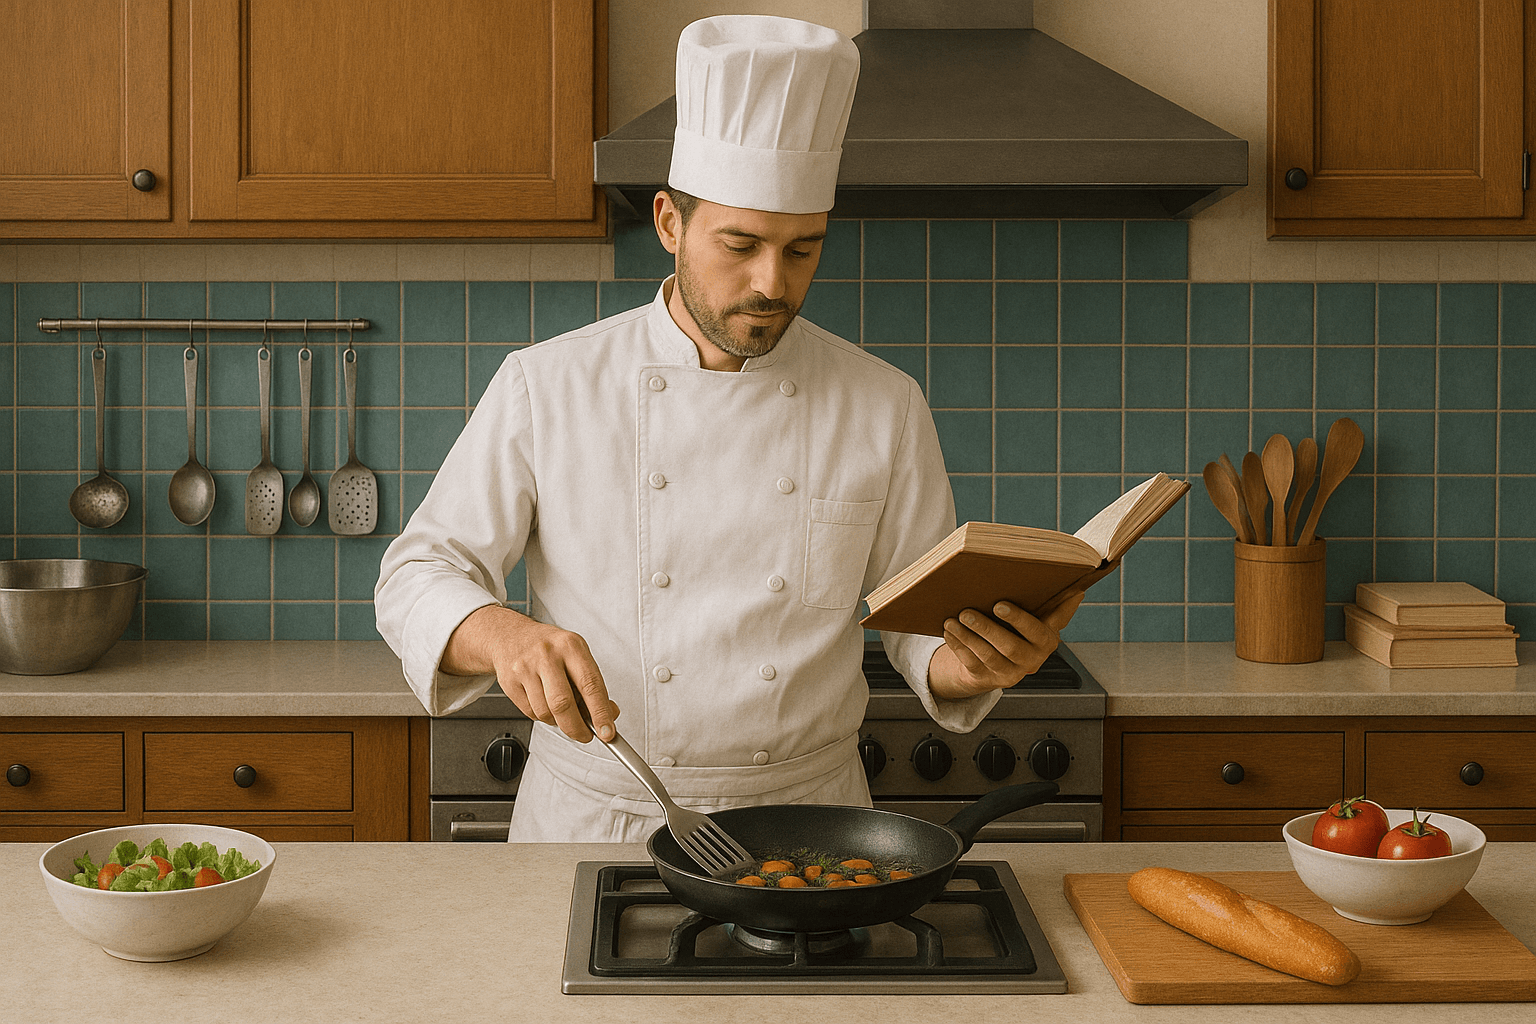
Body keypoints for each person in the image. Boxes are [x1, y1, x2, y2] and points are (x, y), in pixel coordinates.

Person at [374, 15, 1083, 842]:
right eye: (739, 244)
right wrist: (501, 634)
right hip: (596, 821)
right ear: (670, 223)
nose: (770, 283)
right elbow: (416, 574)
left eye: (802, 250)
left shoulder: (883, 405)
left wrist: (966, 668)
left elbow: (917, 632)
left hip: (813, 824)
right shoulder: (549, 385)